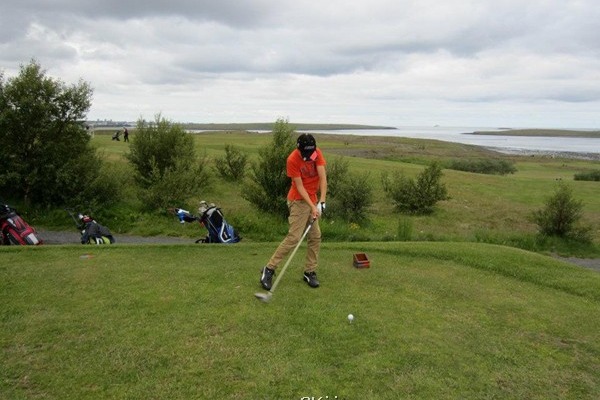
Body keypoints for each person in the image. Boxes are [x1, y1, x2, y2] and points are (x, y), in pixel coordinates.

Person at [260, 133, 327, 290]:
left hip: (312, 199)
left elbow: (323, 178)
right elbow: (299, 186)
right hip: (298, 200)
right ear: (299, 149)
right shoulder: (292, 159)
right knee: (294, 237)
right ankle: (269, 269)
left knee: (315, 236)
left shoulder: (316, 153)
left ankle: (309, 272)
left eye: (311, 153)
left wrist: (322, 201)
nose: (309, 157)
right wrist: (312, 207)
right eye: (306, 153)